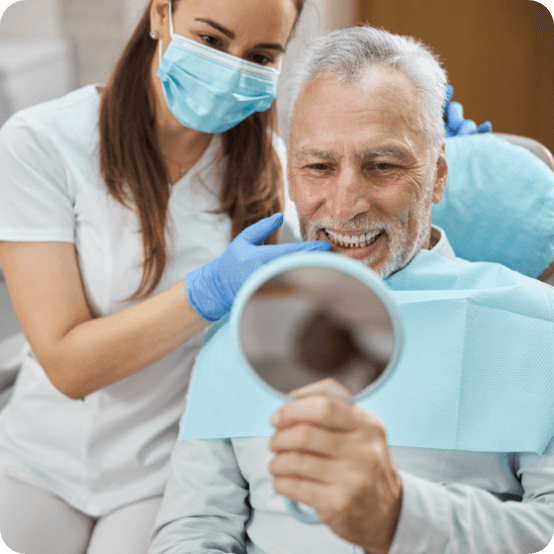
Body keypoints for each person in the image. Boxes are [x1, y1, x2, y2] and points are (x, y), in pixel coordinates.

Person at [148, 26, 554, 554]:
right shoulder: (242, 324)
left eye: (381, 166)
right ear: (290, 175)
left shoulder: (537, 328)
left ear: (436, 176)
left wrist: (399, 517)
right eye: (318, 167)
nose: (344, 206)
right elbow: (193, 527)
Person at [0, 1, 334, 553]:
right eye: (210, 40)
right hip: (39, 457)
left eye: (260, 56)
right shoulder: (42, 142)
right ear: (161, 15)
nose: (231, 68)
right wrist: (209, 292)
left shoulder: (270, 175)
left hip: (164, 471)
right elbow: (67, 365)